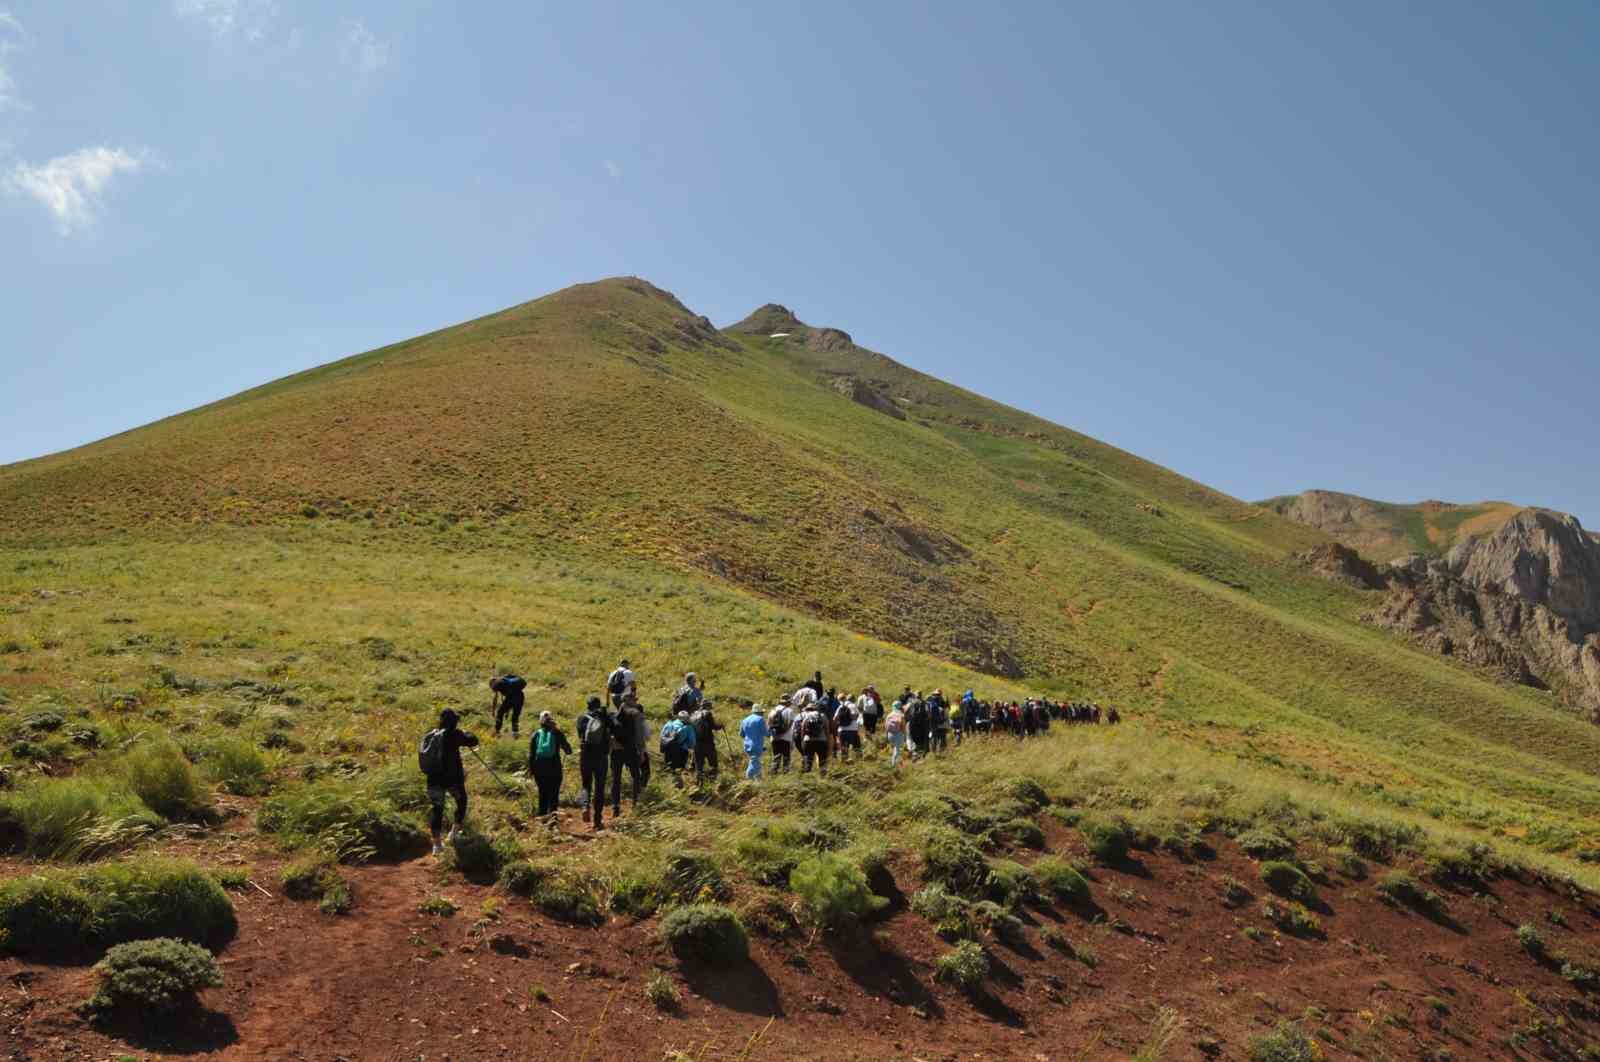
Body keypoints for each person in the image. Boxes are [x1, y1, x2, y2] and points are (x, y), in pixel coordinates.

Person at [419, 708, 479, 856]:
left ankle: (437, 845)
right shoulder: (455, 734)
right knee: (461, 801)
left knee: (437, 809)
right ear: (454, 722)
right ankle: (453, 833)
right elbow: (474, 740)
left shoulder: (433, 735)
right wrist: (465, 732)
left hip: (433, 779)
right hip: (453, 780)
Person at [575, 697, 613, 830]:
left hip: (585, 755)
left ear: (588, 705)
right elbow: (615, 727)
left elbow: (580, 734)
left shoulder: (581, 718)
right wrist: (606, 715)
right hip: (601, 757)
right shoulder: (604, 718)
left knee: (586, 785)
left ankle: (585, 806)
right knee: (599, 788)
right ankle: (597, 820)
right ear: (599, 705)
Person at [528, 710, 572, 817]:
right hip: (554, 767)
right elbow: (568, 751)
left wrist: (531, 770)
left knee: (542, 793)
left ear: (540, 721)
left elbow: (531, 755)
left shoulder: (536, 734)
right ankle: (553, 821)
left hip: (539, 768)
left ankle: (542, 819)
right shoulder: (556, 733)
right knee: (554, 795)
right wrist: (558, 731)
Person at [609, 693, 646, 815]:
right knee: (636, 777)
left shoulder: (612, 715)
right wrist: (641, 751)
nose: (636, 701)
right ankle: (635, 805)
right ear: (626, 700)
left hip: (617, 751)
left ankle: (615, 807)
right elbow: (639, 735)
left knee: (616, 779)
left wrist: (612, 742)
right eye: (634, 699)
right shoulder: (635, 714)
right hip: (631, 750)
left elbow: (607, 732)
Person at [690, 699, 723, 782]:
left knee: (699, 766)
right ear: (707, 707)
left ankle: (698, 784)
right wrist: (721, 726)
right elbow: (713, 726)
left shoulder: (693, 715)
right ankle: (713, 781)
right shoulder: (707, 714)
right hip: (708, 743)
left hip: (696, 744)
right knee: (713, 765)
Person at [660, 710, 696, 782]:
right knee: (679, 770)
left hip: (668, 750)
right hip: (681, 751)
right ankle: (678, 785)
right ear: (687, 718)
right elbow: (692, 743)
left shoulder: (669, 724)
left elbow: (662, 736)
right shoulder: (688, 727)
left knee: (670, 768)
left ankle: (669, 784)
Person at [490, 673, 528, 738]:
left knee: (500, 712)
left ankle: (497, 731)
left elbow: (495, 698)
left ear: (492, 683)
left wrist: (493, 711)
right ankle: (515, 733)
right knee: (515, 715)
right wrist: (507, 711)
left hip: (511, 697)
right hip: (520, 696)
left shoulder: (496, 684)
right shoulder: (506, 678)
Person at [796, 700, 829, 774]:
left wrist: (802, 739)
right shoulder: (823, 716)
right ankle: (823, 775)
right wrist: (827, 740)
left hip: (808, 740)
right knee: (822, 760)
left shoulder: (807, 715)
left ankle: (807, 774)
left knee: (808, 759)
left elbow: (803, 728)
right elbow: (827, 729)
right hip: (821, 741)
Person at [740, 701, 768, 781]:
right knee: (754, 763)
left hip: (747, 745)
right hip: (756, 746)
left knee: (755, 762)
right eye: (762, 712)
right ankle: (749, 780)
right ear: (759, 712)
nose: (763, 714)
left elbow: (741, 734)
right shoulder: (760, 719)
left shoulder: (745, 720)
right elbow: (766, 733)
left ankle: (759, 780)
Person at [767, 697, 794, 774]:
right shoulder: (789, 711)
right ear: (787, 703)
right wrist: (784, 733)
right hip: (786, 737)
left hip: (774, 737)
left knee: (776, 755)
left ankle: (774, 771)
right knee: (786, 756)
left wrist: (772, 734)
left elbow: (768, 724)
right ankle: (785, 772)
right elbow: (791, 724)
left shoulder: (772, 711)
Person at [834, 693, 862, 760]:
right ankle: (859, 762)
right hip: (853, 730)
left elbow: (834, 718)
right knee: (857, 749)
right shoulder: (853, 705)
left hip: (842, 731)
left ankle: (844, 762)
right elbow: (857, 717)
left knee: (844, 750)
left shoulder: (840, 706)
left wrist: (839, 723)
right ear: (853, 700)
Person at [906, 692, 930, 761]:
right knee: (924, 738)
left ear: (915, 696)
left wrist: (908, 718)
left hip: (912, 723)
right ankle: (923, 754)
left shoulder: (911, 702)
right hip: (922, 723)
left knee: (913, 738)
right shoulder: (924, 703)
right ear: (921, 696)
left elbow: (905, 711)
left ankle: (914, 755)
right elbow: (928, 714)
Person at [884, 700, 907, 768]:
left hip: (890, 734)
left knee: (895, 749)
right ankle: (893, 764)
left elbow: (885, 726)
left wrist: (886, 735)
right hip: (898, 734)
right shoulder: (901, 715)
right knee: (897, 749)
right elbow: (903, 726)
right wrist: (905, 735)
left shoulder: (889, 715)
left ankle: (898, 762)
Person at [928, 689, 949, 754]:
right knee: (940, 737)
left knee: (936, 737)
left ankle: (935, 751)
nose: (937, 696)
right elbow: (946, 711)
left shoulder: (931, 703)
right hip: (939, 723)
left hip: (934, 723)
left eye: (938, 695)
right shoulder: (936, 704)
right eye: (936, 695)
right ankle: (939, 750)